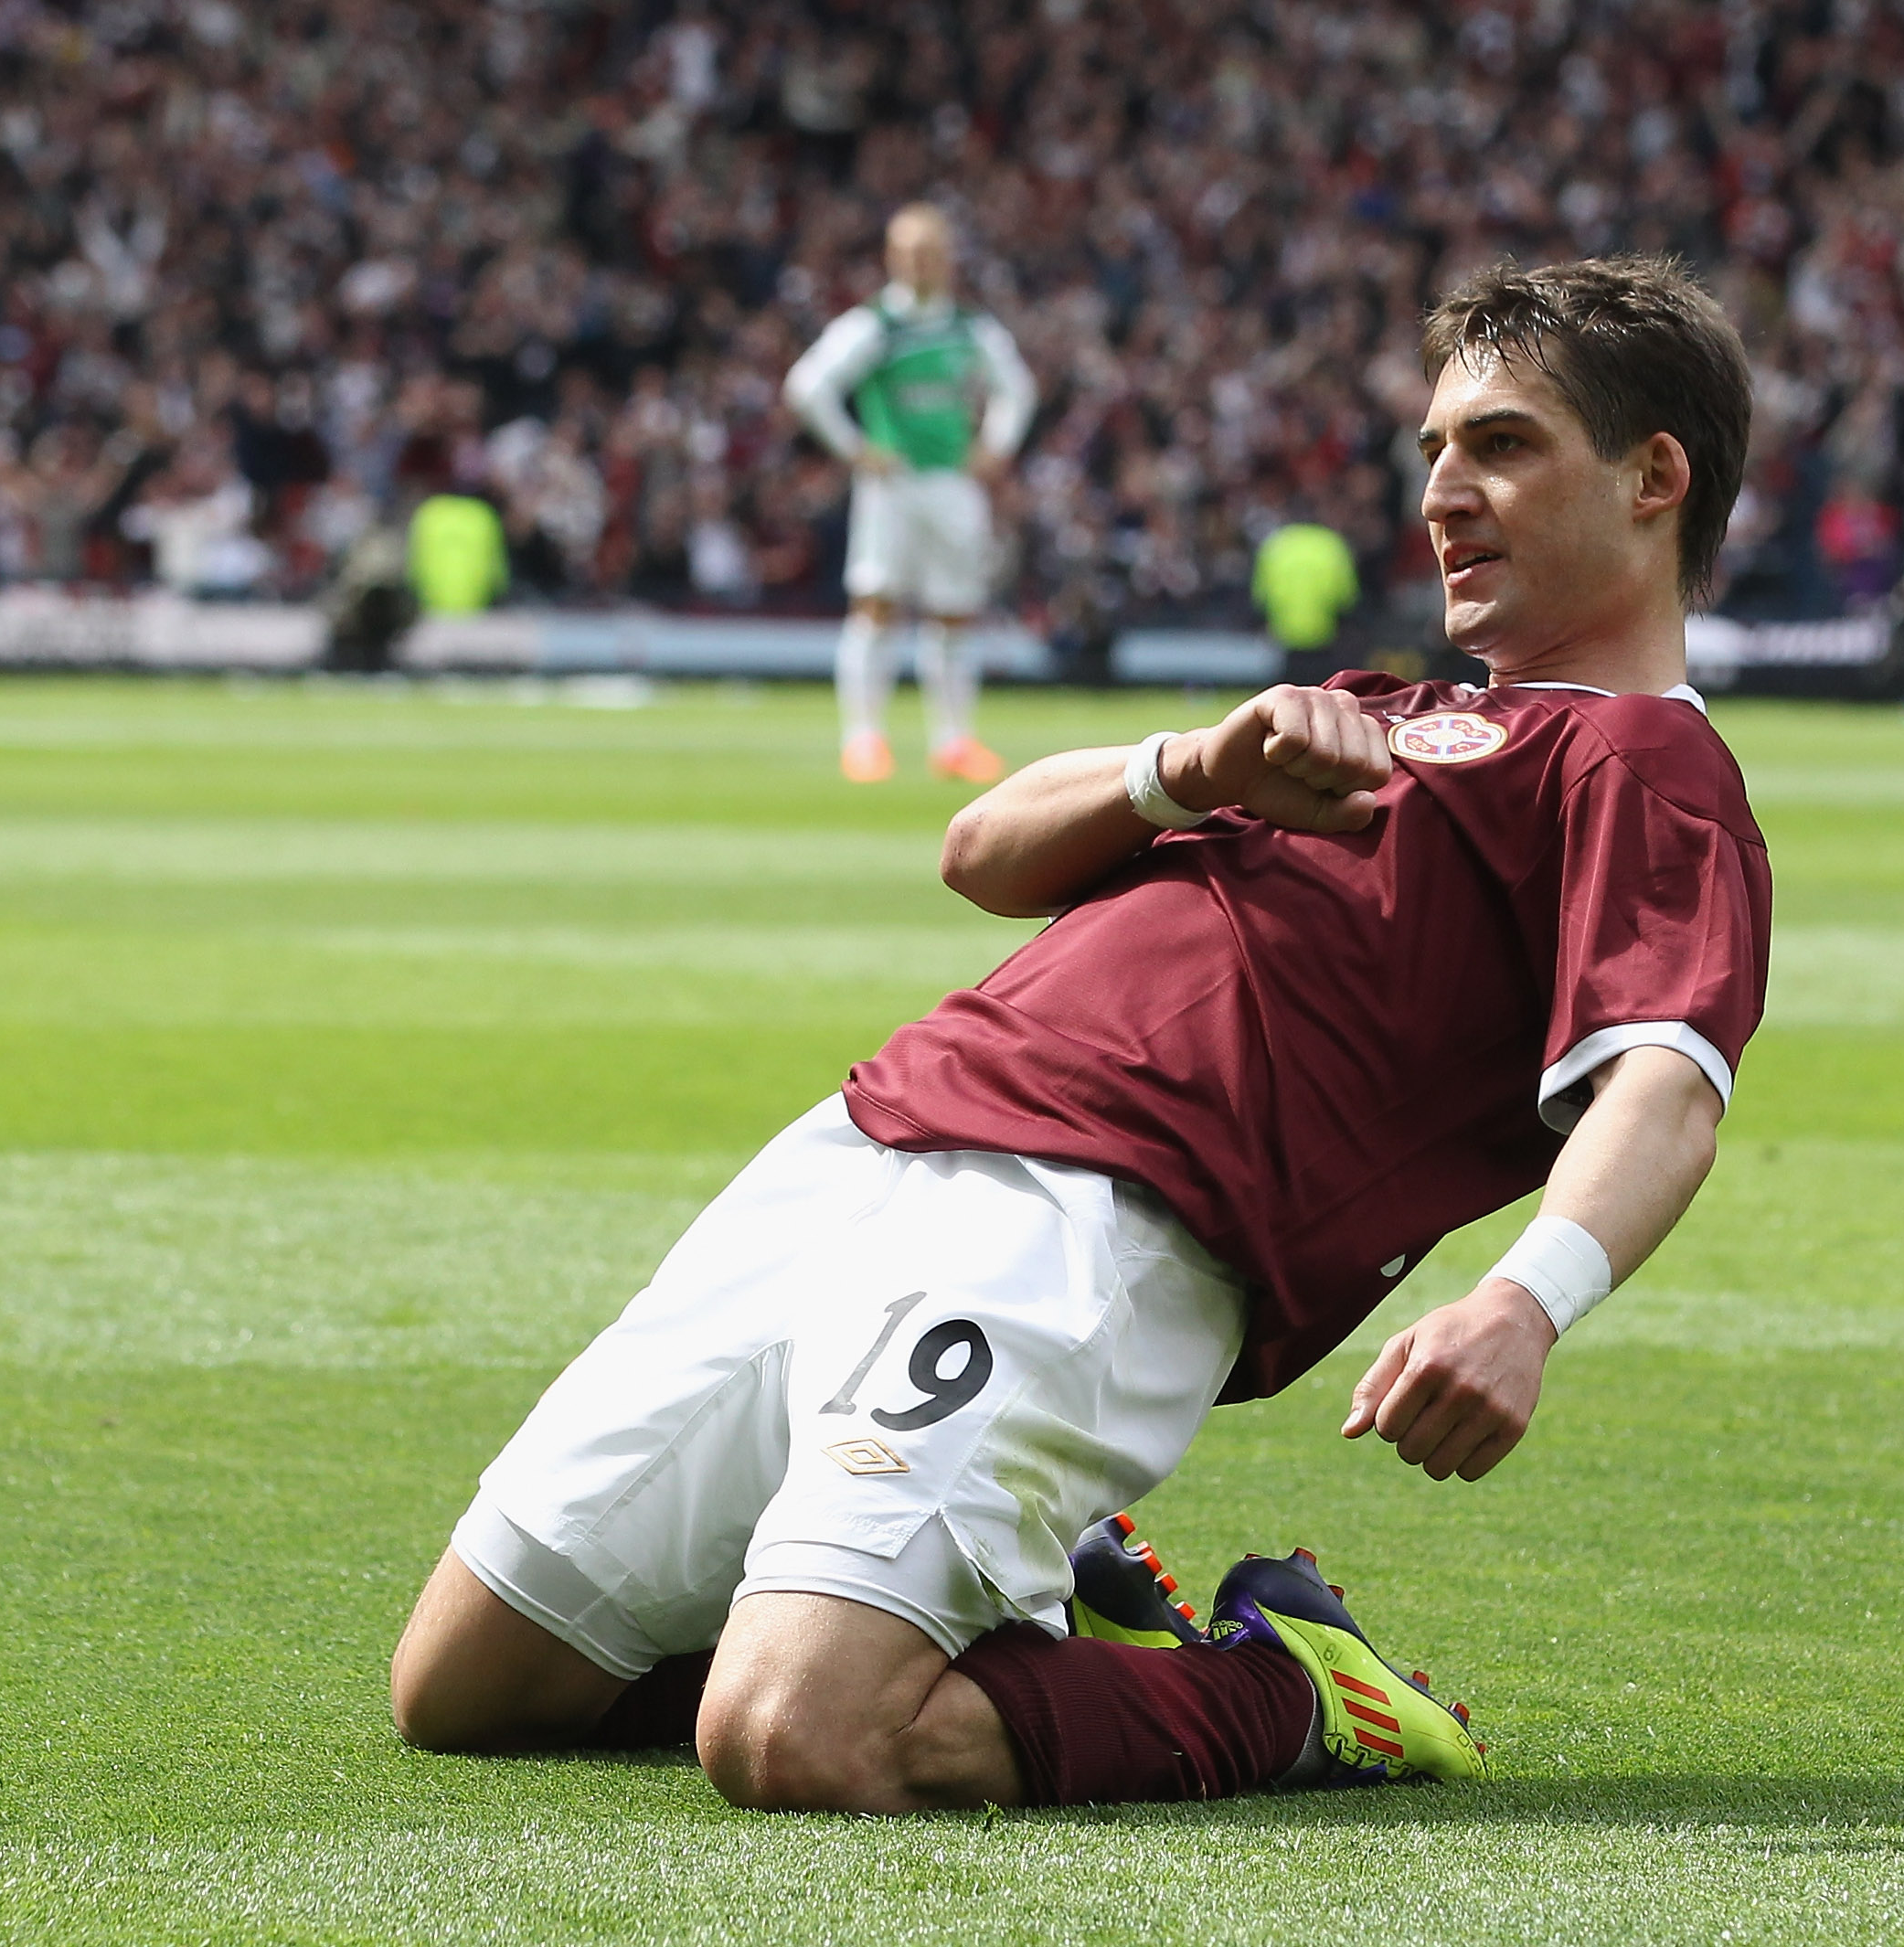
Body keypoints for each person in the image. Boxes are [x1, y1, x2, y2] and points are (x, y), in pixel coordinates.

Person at [391, 256, 1771, 1814]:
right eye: (1437, 449)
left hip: (1097, 1222)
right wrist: (1199, 760)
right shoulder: (1369, 705)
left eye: (1503, 445)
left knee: (797, 1741)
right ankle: (1020, 1621)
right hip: (869, 1137)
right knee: (465, 1687)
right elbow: (980, 851)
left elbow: (1663, 1079)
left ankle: (1292, 1687)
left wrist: (1526, 1304)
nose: (1445, 490)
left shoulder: (1648, 765)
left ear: (1655, 476)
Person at [782, 204, 1037, 785]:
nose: (921, 263)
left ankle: (953, 742)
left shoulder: (970, 328)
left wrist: (996, 447)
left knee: (955, 612)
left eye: (931, 251)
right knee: (877, 604)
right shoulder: (874, 326)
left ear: (947, 258)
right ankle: (864, 739)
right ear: (893, 259)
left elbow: (1017, 391)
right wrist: (854, 447)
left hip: (953, 483)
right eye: (910, 252)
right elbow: (807, 386)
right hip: (892, 487)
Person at [1250, 516, 1361, 686]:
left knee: (1290, 686)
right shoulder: (1331, 544)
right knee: (1322, 687)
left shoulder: (1277, 544)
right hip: (1324, 632)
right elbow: (1346, 595)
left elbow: (1261, 593)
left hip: (1286, 633)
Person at [410, 489, 510, 617]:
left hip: (432, 612)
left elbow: (413, 569)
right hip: (478, 612)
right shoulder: (483, 515)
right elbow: (498, 573)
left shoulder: (429, 513)